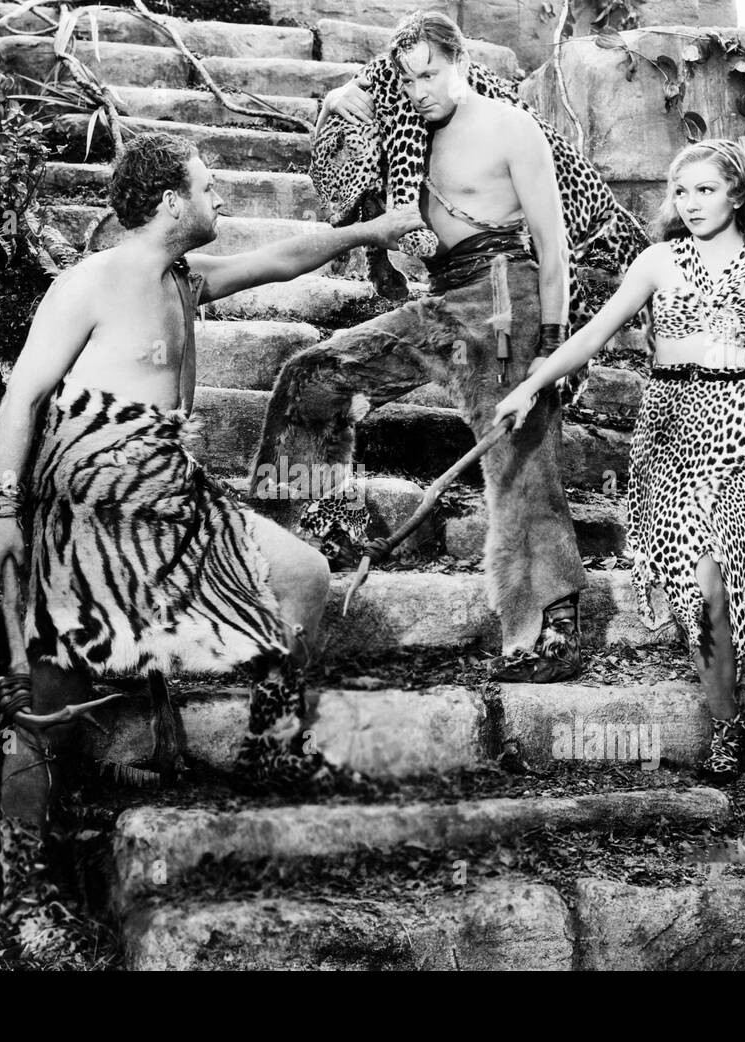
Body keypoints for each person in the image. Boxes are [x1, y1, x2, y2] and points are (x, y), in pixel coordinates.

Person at [0, 129, 424, 948]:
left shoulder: (186, 280)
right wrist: (4, 510)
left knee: (304, 576)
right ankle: (21, 894)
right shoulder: (94, 283)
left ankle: (269, 749)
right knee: (47, 711)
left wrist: (367, 233)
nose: (221, 196)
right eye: (208, 185)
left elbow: (285, 259)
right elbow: (22, 397)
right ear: (168, 203)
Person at [249, 11, 586, 682]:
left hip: (504, 291)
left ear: (460, 62)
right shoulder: (402, 133)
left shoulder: (509, 126)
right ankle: (270, 555)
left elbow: (553, 248)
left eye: (430, 74)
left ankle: (545, 627)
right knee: (311, 371)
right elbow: (346, 127)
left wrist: (552, 346)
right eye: (407, 79)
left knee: (520, 452)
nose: (419, 90)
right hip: (438, 296)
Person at [493, 138, 745, 790]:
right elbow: (592, 334)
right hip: (669, 439)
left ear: (737, 193)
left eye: (705, 189)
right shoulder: (656, 261)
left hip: (743, 431)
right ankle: (728, 730)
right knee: (703, 600)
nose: (692, 203)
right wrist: (532, 384)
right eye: (682, 191)